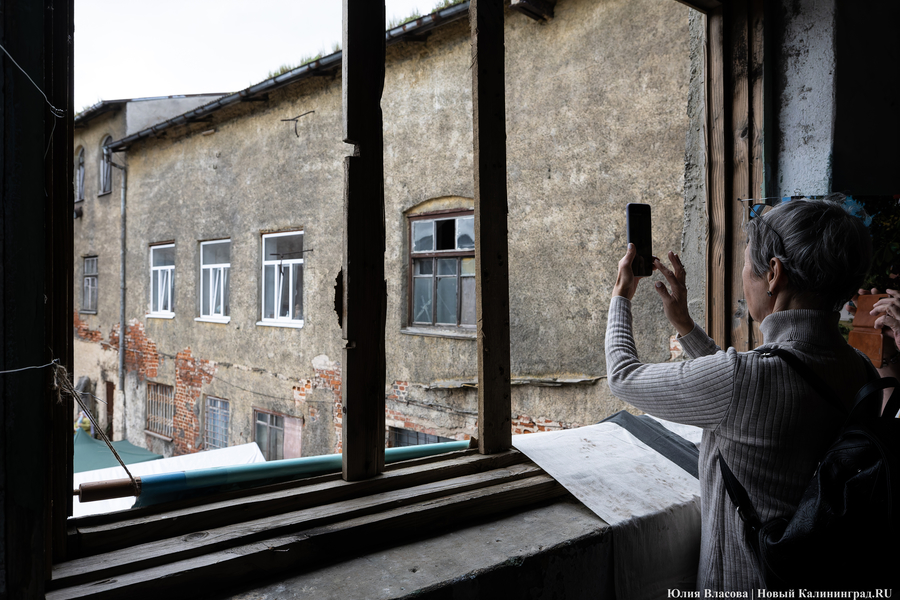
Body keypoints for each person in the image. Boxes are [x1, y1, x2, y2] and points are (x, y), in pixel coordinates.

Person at [605, 197, 874, 591]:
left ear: (774, 273)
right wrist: (684, 324)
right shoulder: (861, 370)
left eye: (747, 264)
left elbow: (623, 376)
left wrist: (621, 294)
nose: (744, 275)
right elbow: (743, 398)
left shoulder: (745, 379)